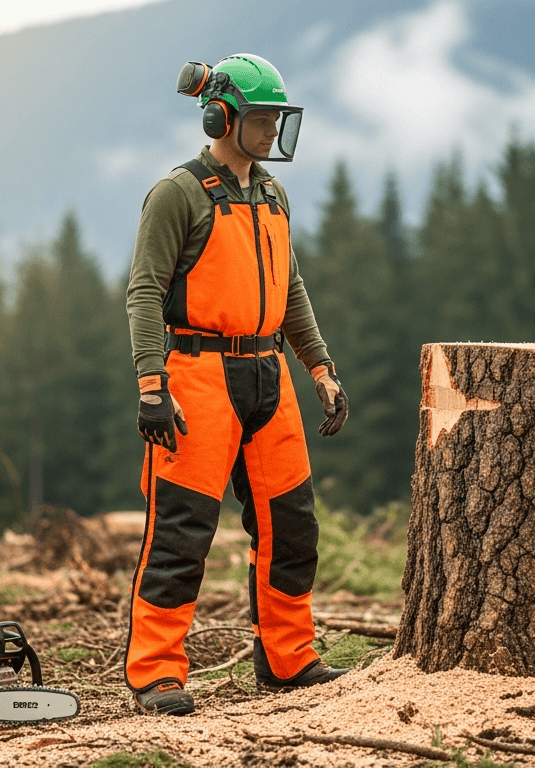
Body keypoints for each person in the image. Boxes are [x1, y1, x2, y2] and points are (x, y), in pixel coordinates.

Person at [122, 53, 350, 716]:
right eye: (262, 118)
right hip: (197, 375)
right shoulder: (178, 193)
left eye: (279, 117)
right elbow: (143, 291)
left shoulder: (272, 195)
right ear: (222, 116)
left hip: (269, 374)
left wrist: (321, 368)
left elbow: (292, 288)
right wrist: (149, 383)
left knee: (293, 525)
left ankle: (288, 658)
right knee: (182, 532)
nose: (274, 129)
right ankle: (155, 673)